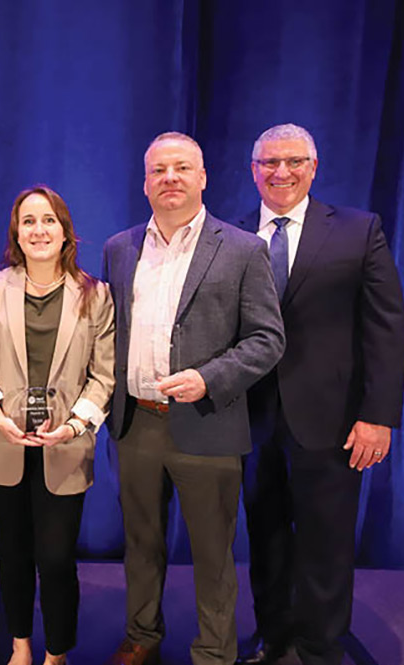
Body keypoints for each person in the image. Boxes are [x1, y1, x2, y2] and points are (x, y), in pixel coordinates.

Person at [102, 132, 285, 665]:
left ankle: (213, 651)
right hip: (135, 423)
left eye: (182, 168)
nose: (171, 178)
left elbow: (267, 339)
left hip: (208, 422)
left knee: (212, 554)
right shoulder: (121, 247)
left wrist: (209, 378)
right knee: (140, 544)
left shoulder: (243, 249)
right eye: (159, 170)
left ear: (203, 177)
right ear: (145, 183)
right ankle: (142, 636)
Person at [233, 124, 404, 665]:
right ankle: (272, 635)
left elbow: (386, 327)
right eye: (269, 162)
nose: (281, 172)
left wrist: (378, 415)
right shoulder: (231, 236)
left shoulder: (359, 230)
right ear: (253, 169)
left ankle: (319, 644)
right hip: (251, 419)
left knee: (326, 540)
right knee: (265, 536)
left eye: (294, 161)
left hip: (332, 420)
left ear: (315, 166)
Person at [0, 185, 115, 665]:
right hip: (1, 441)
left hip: (64, 446)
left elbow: (104, 377)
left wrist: (72, 427)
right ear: (17, 232)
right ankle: (20, 646)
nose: (39, 230)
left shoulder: (96, 295)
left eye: (48, 220)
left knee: (54, 558)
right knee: (13, 552)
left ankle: (57, 652)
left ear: (65, 230)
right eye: (29, 221)